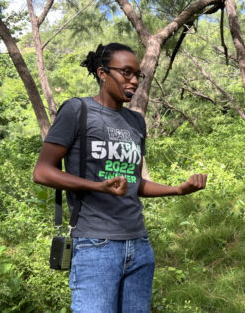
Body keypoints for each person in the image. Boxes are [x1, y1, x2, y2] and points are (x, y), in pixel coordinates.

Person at [33, 42, 207, 313]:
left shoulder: (136, 122)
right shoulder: (78, 110)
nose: (135, 80)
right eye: (126, 72)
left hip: (139, 244)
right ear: (103, 73)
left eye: (138, 74)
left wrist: (178, 190)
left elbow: (135, 184)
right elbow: (42, 171)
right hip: (95, 245)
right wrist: (97, 186)